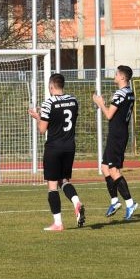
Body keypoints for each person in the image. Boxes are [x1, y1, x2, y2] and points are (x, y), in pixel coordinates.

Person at [28, 73, 84, 231]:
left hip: (54, 147)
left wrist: (37, 117)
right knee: (64, 180)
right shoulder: (73, 100)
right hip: (69, 146)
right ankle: (76, 202)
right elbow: (64, 118)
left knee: (52, 185)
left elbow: (42, 129)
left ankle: (58, 223)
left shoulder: (48, 103)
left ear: (51, 86)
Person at [92, 65, 138, 220]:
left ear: (123, 77)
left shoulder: (121, 93)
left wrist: (100, 102)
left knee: (113, 170)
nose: (115, 76)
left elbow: (109, 115)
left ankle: (130, 203)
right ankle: (114, 201)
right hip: (118, 133)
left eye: (117, 74)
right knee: (105, 167)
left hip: (117, 135)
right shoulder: (130, 92)